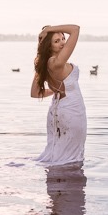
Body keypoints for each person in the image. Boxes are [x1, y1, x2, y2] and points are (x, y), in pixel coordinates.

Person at [31, 24, 87, 165]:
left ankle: (55, 183)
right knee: (72, 158)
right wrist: (48, 30)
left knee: (57, 151)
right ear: (49, 47)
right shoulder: (57, 62)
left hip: (57, 109)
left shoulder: (43, 63)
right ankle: (68, 184)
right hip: (71, 111)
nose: (63, 43)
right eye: (56, 41)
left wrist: (55, 90)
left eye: (63, 38)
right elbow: (75, 29)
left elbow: (35, 93)